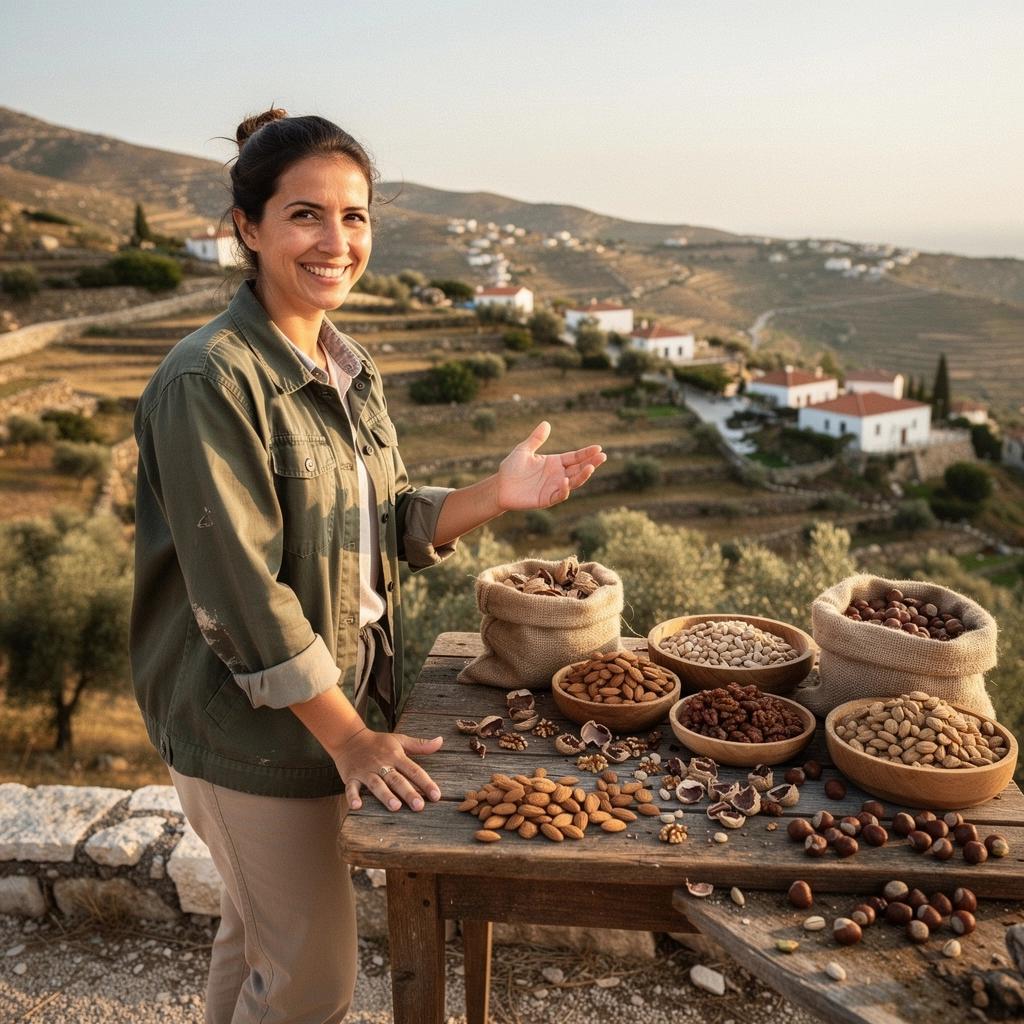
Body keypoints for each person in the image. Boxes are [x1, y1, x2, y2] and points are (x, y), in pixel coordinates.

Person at [128, 107, 606, 1024]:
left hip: (328, 708)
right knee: (314, 983)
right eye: (305, 214)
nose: (335, 241)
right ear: (248, 228)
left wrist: (495, 494)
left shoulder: (344, 366)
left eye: (354, 217)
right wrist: (350, 741)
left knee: (258, 945)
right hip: (253, 735)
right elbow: (240, 592)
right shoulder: (211, 380)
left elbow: (378, 525)